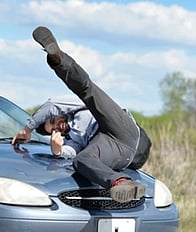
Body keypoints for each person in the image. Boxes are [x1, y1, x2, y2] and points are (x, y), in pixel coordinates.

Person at [12, 26, 152, 203]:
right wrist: (58, 151)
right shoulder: (72, 141)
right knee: (81, 160)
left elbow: (53, 104)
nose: (57, 125)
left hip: (123, 128)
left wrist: (28, 128)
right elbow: (70, 153)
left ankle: (57, 58)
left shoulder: (75, 108)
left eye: (54, 120)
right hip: (118, 151)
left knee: (88, 90)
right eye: (53, 128)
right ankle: (121, 183)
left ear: (59, 115)